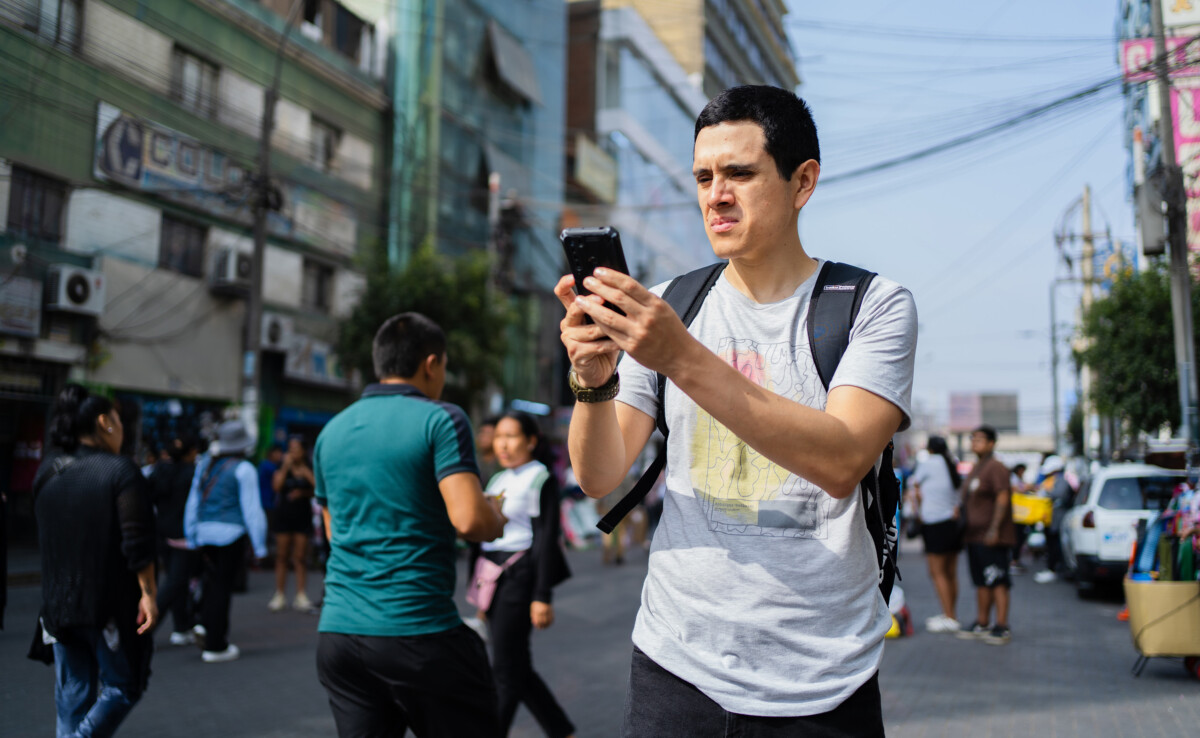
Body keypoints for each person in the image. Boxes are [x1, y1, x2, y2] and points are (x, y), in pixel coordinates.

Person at [554, 85, 916, 735]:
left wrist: (681, 356)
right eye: (703, 176)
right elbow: (601, 474)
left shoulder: (871, 306)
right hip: (676, 663)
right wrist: (592, 378)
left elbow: (840, 460)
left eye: (740, 174)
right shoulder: (672, 304)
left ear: (802, 182)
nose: (716, 194)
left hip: (824, 679)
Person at [314, 312, 508, 738]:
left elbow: (334, 532)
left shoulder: (331, 432)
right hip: (417, 632)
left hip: (339, 637)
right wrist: (494, 515)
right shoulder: (441, 419)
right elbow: (471, 520)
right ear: (432, 364)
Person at [33, 384, 158, 736]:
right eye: (118, 419)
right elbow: (138, 543)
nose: (121, 427)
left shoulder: (47, 471)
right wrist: (148, 594)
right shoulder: (119, 471)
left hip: (56, 608)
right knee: (123, 686)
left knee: (73, 696)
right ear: (104, 421)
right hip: (104, 606)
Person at [474, 411, 574, 738]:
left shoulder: (539, 477)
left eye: (512, 436)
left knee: (504, 668)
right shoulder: (497, 479)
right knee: (517, 667)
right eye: (499, 436)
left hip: (520, 575)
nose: (503, 443)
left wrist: (541, 595)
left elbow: (546, 537)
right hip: (493, 578)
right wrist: (478, 593)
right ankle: (561, 730)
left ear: (531, 441)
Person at [184, 419, 268, 663]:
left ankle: (203, 623)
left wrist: (192, 535)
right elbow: (252, 511)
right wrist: (260, 545)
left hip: (203, 532)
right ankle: (216, 644)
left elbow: (193, 502)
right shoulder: (244, 469)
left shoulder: (205, 465)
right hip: (231, 535)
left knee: (209, 582)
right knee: (223, 586)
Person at [955, 425, 1014, 645]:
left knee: (998, 579)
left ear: (991, 443)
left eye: (979, 440)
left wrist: (994, 529)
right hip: (974, 536)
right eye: (973, 439)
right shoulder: (977, 467)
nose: (974, 443)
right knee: (981, 581)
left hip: (991, 536)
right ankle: (982, 622)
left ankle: (1001, 625)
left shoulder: (996, 467)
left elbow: (1002, 498)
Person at [909, 435, 963, 634]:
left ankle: (949, 617)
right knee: (950, 573)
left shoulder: (928, 463)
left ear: (929, 449)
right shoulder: (950, 464)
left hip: (934, 522)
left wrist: (918, 509)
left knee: (937, 572)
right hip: (952, 523)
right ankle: (951, 614)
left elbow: (914, 487)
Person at [151, 433, 202, 645]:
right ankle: (147, 627)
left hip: (161, 532)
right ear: (191, 452)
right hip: (183, 535)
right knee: (174, 582)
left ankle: (181, 627)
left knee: (177, 581)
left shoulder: (160, 470)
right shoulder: (192, 474)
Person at [269, 436, 315, 612]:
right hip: (284, 515)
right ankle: (279, 594)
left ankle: (301, 594)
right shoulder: (282, 467)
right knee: (281, 556)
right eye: (290, 448)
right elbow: (276, 487)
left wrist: (304, 488)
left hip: (302, 515)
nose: (293, 452)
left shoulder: (308, 467)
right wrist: (286, 466)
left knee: (300, 557)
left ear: (304, 451)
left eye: (296, 448)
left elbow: (318, 488)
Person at [1033, 455, 1072, 584]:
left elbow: (1058, 494)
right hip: (1049, 519)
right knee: (1051, 544)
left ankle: (1054, 569)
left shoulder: (1061, 480)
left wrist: (1045, 494)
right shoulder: (1051, 480)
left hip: (1056, 520)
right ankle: (1053, 568)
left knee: (1055, 544)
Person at [258, 444, 283, 520]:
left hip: (268, 502)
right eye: (278, 453)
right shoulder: (268, 466)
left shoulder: (266, 464)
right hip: (266, 502)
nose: (281, 456)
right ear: (272, 453)